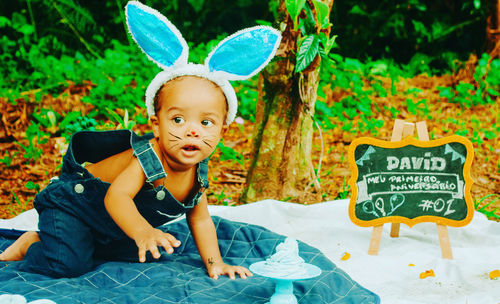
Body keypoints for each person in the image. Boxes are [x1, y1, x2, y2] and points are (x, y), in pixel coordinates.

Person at [0, 1, 281, 278]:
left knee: (151, 250)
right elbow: (117, 197)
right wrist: (142, 230)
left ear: (224, 130)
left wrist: (214, 263)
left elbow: (201, 218)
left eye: (206, 122)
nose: (191, 131)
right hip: (73, 207)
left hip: (109, 227)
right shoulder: (149, 157)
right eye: (178, 120)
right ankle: (32, 245)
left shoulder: (197, 171)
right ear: (156, 125)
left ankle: (89, 244)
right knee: (68, 264)